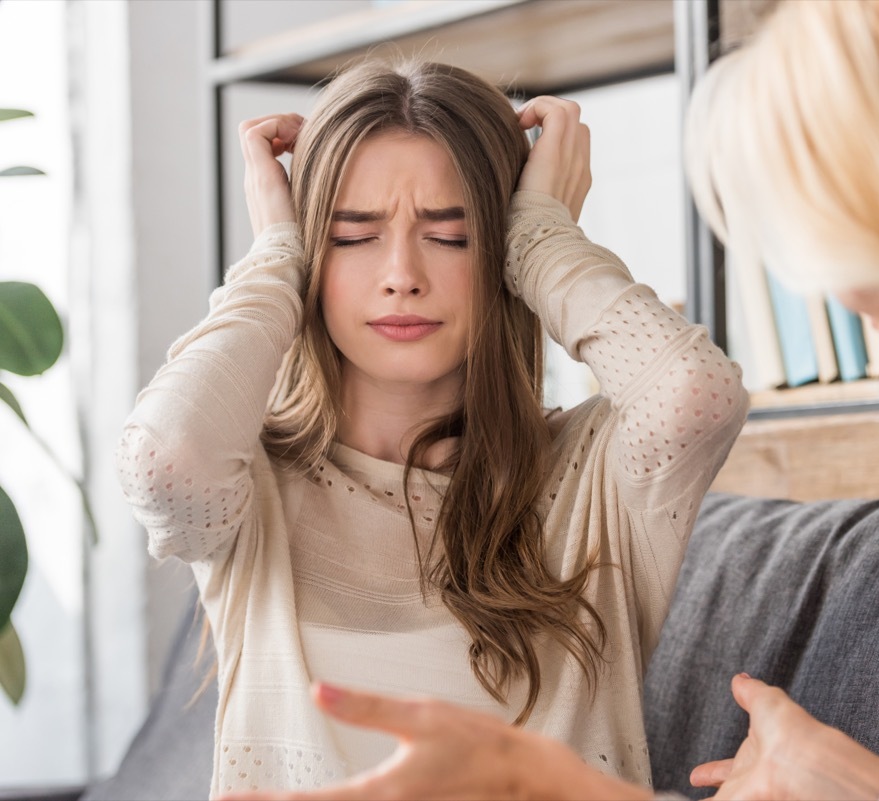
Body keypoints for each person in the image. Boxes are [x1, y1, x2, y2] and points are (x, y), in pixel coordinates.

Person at [217, 1, 879, 799]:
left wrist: (549, 788)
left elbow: (693, 396)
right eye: (350, 235)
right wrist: (858, 785)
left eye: (868, 283)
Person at [116, 56, 748, 798]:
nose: (402, 275)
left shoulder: (592, 481)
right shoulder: (251, 487)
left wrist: (543, 237)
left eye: (452, 235)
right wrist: (274, 261)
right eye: (352, 236)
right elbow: (163, 458)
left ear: (502, 255)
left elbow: (697, 396)